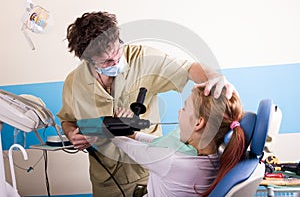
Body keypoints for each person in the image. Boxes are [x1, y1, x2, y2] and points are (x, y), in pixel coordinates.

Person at [56, 11, 237, 197]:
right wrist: (72, 134)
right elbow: (67, 120)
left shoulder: (144, 59)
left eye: (118, 50)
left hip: (147, 174)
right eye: (107, 61)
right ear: (89, 60)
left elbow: (188, 69)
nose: (117, 61)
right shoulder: (74, 83)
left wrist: (215, 78)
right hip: (106, 180)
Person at [110, 86, 246, 196]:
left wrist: (105, 128)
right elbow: (158, 142)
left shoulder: (171, 161)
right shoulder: (212, 154)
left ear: (198, 123)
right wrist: (134, 134)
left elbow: (127, 145)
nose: (179, 111)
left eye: (185, 108)